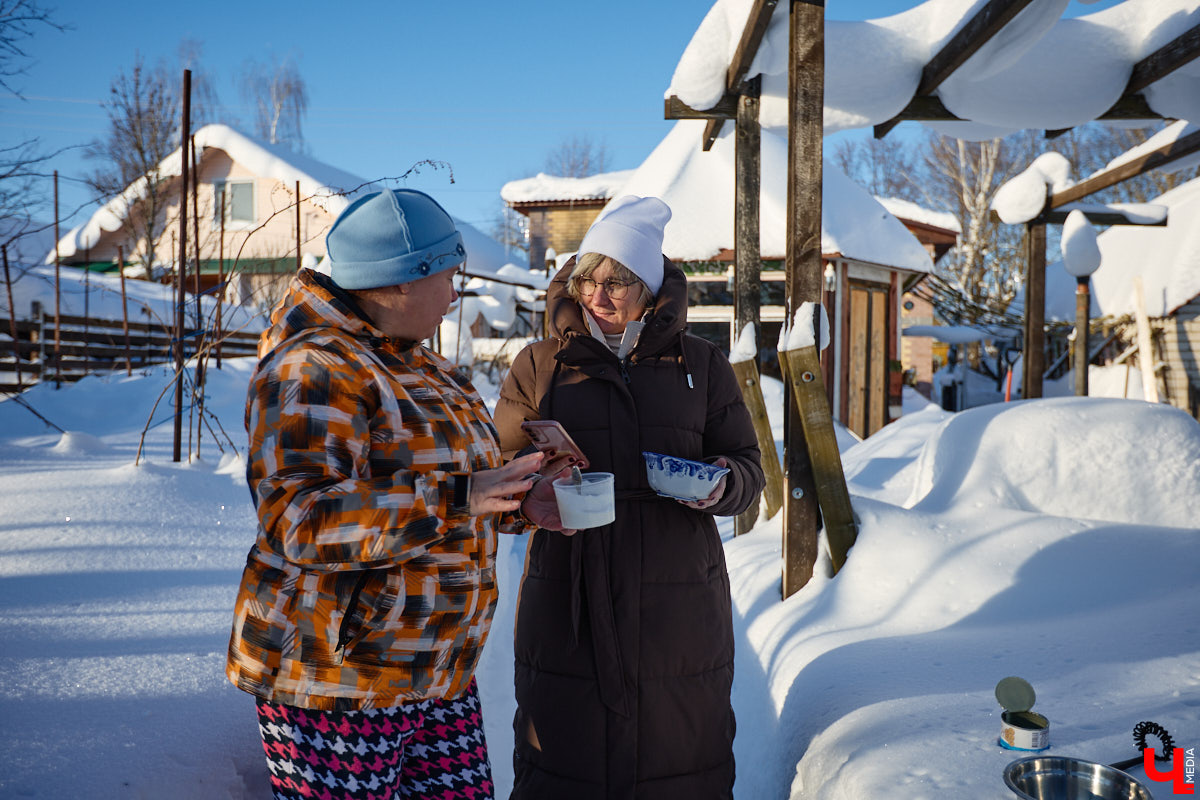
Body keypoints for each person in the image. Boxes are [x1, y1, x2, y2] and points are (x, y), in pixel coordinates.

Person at [225, 188, 570, 800]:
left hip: (436, 672)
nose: (456, 293)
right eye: (447, 276)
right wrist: (459, 496)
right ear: (401, 283)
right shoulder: (314, 369)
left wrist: (519, 500)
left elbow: (458, 493)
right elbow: (300, 520)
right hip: (336, 679)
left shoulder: (428, 370)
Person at [493, 195, 765, 799]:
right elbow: (496, 474)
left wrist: (723, 481)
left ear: (648, 287)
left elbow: (751, 467)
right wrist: (532, 489)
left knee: (679, 751)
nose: (597, 294)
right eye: (588, 278)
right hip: (568, 588)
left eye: (617, 281)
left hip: (677, 597)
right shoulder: (541, 365)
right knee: (565, 755)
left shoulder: (702, 365)